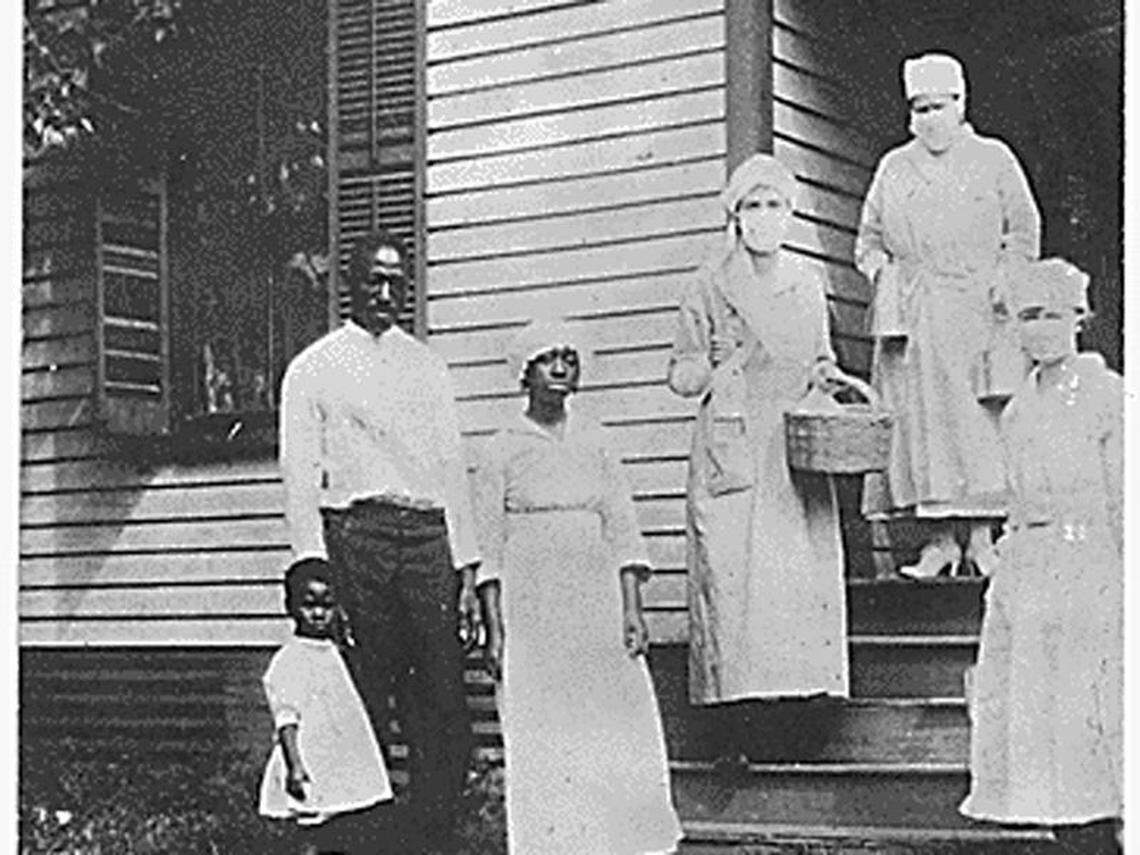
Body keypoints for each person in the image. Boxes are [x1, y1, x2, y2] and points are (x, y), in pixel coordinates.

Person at [278, 228, 481, 854]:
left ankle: (430, 836)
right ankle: (355, 838)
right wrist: (316, 567)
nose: (386, 292)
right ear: (351, 283)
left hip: (425, 540)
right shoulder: (314, 367)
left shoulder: (427, 367)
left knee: (440, 699)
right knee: (361, 689)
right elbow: (300, 477)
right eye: (374, 279)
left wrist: (467, 570)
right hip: (357, 540)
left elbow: (451, 469)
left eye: (397, 281)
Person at [474, 320, 683, 855]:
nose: (562, 368)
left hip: (595, 601)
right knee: (546, 726)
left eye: (570, 358)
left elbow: (622, 528)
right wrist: (496, 628)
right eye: (549, 359)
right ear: (526, 373)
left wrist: (632, 609)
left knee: (612, 719)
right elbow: (489, 550)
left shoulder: (596, 441)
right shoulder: (502, 448)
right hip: (534, 606)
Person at [667, 153, 849, 713]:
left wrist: (828, 377)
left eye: (774, 205)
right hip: (735, 437)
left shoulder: (806, 283)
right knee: (733, 571)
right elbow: (681, 374)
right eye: (753, 206)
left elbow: (821, 356)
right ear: (735, 216)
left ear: (788, 214)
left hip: (792, 443)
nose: (764, 216)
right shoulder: (709, 285)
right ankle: (734, 712)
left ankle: (800, 702)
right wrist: (717, 365)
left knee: (796, 570)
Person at [855, 52, 1041, 578]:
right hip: (916, 317)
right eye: (919, 108)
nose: (929, 118)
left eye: (938, 106)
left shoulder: (993, 158)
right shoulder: (895, 167)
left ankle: (983, 538)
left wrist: (1005, 277)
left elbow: (1023, 228)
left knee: (978, 422)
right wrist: (885, 279)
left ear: (961, 104)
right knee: (924, 426)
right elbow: (867, 241)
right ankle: (938, 542)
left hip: (981, 310)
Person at [959, 260, 1122, 853]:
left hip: (1090, 568)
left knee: (1089, 722)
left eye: (1053, 315)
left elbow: (1122, 500)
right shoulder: (1022, 405)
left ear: (1080, 318)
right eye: (1028, 317)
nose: (1040, 329)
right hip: (1031, 570)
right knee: (1042, 725)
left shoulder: (1107, 394)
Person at [259, 558, 393, 855]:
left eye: (327, 605)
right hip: (312, 754)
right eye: (309, 605)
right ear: (291, 607)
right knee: (313, 823)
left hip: (339, 754)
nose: (319, 613)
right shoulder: (290, 658)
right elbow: (286, 718)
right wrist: (295, 765)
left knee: (343, 820)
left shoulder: (335, 652)